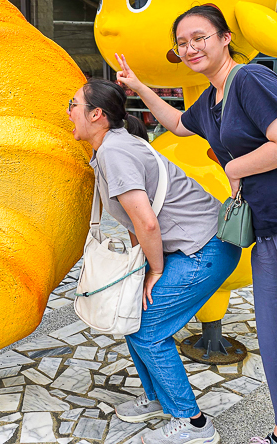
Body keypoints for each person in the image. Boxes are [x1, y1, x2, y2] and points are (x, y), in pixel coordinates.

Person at [115, 4, 277, 444]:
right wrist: (140, 86)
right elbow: (179, 125)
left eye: (199, 37)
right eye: (181, 43)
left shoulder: (251, 80)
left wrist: (236, 169)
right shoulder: (212, 100)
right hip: (270, 230)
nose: (190, 47)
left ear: (224, 39)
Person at [68, 79, 240, 444]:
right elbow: (135, 221)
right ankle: (158, 398)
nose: (68, 112)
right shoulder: (111, 147)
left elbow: (146, 221)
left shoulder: (115, 153)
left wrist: (156, 270)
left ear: (96, 114)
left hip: (204, 250)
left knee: (148, 331)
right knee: (135, 315)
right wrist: (141, 269)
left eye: (73, 104)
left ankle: (193, 423)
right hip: (194, 246)